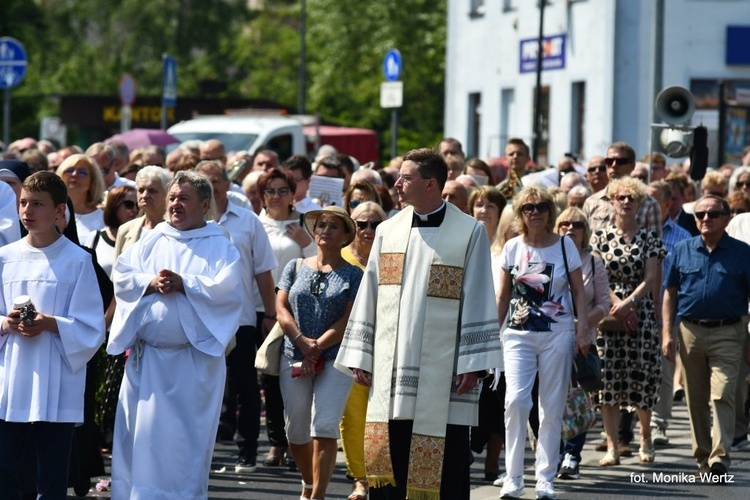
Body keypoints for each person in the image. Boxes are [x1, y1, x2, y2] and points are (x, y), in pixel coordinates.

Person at [335, 148, 501, 500]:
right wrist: (361, 354)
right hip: (391, 371)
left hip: (445, 378)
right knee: (390, 463)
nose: (396, 183)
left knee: (446, 468)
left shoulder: (468, 232)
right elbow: (371, 294)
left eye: (405, 177)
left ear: (430, 184)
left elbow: (479, 297)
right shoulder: (389, 230)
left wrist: (473, 363)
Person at [107, 170, 243, 497]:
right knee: (141, 439)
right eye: (172, 198)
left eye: (183, 198)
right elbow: (123, 276)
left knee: (183, 444)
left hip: (192, 364)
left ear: (205, 204)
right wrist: (150, 283)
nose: (175, 204)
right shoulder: (153, 238)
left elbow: (229, 291)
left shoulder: (219, 244)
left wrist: (187, 284)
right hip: (148, 360)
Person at [0, 171, 105, 498]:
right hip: (11, 380)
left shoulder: (77, 260)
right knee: (7, 469)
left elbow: (91, 326)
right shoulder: (5, 258)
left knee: (52, 474)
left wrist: (49, 323)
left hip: (56, 382)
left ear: (59, 212)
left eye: (38, 204)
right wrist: (7, 324)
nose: (27, 211)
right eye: (23, 203)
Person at [496, 187, 589, 500]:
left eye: (540, 207)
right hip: (517, 334)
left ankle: (545, 478)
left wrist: (584, 327)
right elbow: (502, 295)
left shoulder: (564, 245)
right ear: (520, 213)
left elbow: (578, 291)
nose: (534, 212)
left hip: (557, 333)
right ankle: (512, 478)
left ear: (550, 211)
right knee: (516, 403)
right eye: (528, 207)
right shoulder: (511, 247)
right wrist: (493, 334)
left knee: (551, 408)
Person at [195, 160, 278, 473]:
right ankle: (202, 452)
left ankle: (247, 451)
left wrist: (269, 314)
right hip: (200, 320)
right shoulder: (190, 224)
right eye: (203, 182)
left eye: (215, 181)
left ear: (228, 184)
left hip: (241, 319)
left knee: (244, 387)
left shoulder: (247, 221)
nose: (210, 187)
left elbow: (263, 272)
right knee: (203, 388)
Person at [276, 205, 362, 500]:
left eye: (334, 226)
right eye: (321, 224)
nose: (325, 230)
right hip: (294, 353)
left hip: (336, 358)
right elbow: (281, 308)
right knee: (295, 432)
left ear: (345, 236)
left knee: (324, 426)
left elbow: (348, 320)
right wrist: (302, 341)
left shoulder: (354, 275)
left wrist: (317, 347)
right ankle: (308, 483)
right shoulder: (295, 266)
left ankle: (318, 497)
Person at [662, 194, 750, 479]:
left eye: (712, 214)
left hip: (730, 330)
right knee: (696, 399)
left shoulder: (742, 252)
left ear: (726, 219)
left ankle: (720, 458)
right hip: (690, 331)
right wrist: (667, 333)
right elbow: (669, 293)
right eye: (700, 215)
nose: (705, 219)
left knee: (723, 392)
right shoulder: (683, 249)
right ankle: (702, 457)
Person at [589, 177, 664, 466]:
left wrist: (629, 303)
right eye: (620, 197)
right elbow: (597, 276)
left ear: (640, 203)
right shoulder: (600, 237)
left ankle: (644, 437)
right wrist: (615, 304)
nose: (626, 202)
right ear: (611, 202)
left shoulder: (649, 238)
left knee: (642, 377)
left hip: (640, 313)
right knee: (608, 380)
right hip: (608, 314)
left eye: (631, 198)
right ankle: (612, 447)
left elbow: (650, 278)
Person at [258, 167, 317, 467]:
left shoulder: (305, 223)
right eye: (271, 191)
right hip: (262, 310)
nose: (277, 196)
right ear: (262, 195)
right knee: (270, 378)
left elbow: (323, 258)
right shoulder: (257, 225)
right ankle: (276, 445)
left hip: (299, 312)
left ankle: (299, 442)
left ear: (293, 194)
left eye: (283, 190)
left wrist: (306, 241)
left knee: (296, 377)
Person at [554, 207, 611, 481]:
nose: (570, 228)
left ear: (584, 230)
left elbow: (604, 303)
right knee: (550, 399)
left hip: (582, 340)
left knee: (579, 399)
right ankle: (552, 453)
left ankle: (572, 456)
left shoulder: (593, 261)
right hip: (550, 336)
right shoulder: (549, 256)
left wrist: (583, 325)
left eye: (576, 224)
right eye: (564, 223)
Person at [338, 201, 387, 500]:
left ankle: (381, 474)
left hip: (386, 346)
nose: (368, 230)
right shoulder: (340, 257)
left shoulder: (393, 256)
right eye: (361, 224)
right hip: (348, 347)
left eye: (375, 224)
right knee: (354, 416)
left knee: (381, 415)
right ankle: (360, 478)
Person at [645, 181, 691, 448]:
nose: (645, 208)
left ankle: (658, 424)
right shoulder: (632, 235)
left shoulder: (683, 237)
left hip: (667, 317)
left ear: (665, 204)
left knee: (664, 371)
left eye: (652, 201)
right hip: (637, 314)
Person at [467, 185, 507, 482]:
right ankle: (467, 449)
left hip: (502, 333)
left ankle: (492, 462)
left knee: (497, 401)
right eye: (478, 204)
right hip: (468, 330)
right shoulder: (466, 243)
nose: (483, 210)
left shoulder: (506, 249)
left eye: (489, 205)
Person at [113, 166, 171, 258]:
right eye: (141, 190)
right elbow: (116, 269)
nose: (144, 195)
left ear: (167, 194)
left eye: (152, 191)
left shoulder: (177, 229)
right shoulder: (125, 230)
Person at [84, 186, 138, 276]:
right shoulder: (96, 237)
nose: (135, 210)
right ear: (114, 205)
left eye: (138, 206)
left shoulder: (142, 239)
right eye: (129, 204)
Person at [56, 154, 107, 243]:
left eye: (82, 172)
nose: (74, 174)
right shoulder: (51, 213)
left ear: (92, 181)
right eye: (69, 170)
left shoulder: (103, 217)